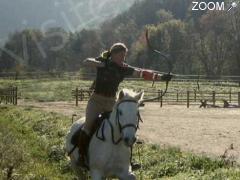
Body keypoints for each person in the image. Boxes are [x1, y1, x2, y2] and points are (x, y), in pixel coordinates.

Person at [73, 42, 172, 169]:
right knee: (88, 126)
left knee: (123, 129)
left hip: (111, 102)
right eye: (121, 55)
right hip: (96, 101)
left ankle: (127, 161)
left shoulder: (123, 68)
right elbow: (86, 61)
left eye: (124, 56)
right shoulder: (103, 62)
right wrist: (102, 63)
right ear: (113, 54)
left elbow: (141, 73)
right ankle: (82, 156)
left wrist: (162, 77)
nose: (123, 58)